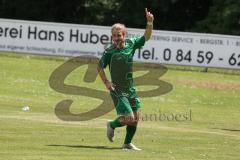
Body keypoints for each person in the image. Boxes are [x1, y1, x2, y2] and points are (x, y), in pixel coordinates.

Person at [97, 8, 154, 150]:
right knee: (129, 117)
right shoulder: (109, 51)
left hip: (131, 89)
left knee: (136, 117)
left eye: (119, 35)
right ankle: (112, 124)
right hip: (117, 89)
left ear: (124, 35)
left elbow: (146, 37)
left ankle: (127, 143)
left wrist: (149, 23)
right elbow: (99, 67)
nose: (117, 38)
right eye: (114, 36)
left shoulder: (131, 43)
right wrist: (107, 82)